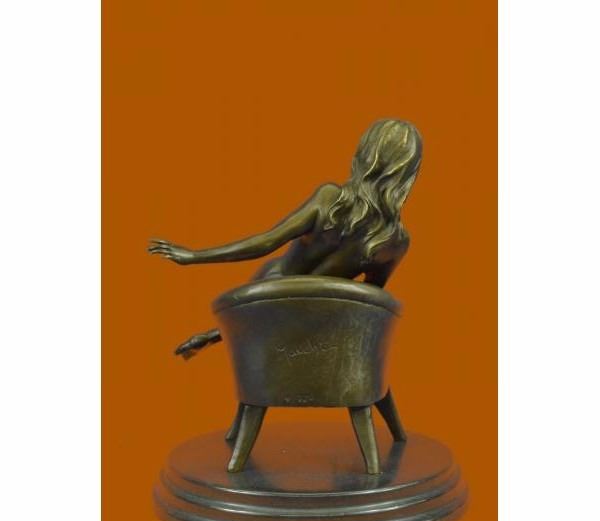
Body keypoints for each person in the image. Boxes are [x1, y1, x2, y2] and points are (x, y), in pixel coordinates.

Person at [149, 119, 422, 357]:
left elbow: (267, 242)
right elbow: (366, 300)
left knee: (276, 303)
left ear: (364, 155)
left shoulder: (330, 199)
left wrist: (194, 256)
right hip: (311, 318)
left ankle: (217, 334)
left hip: (267, 294)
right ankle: (216, 334)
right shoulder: (396, 242)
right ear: (408, 175)